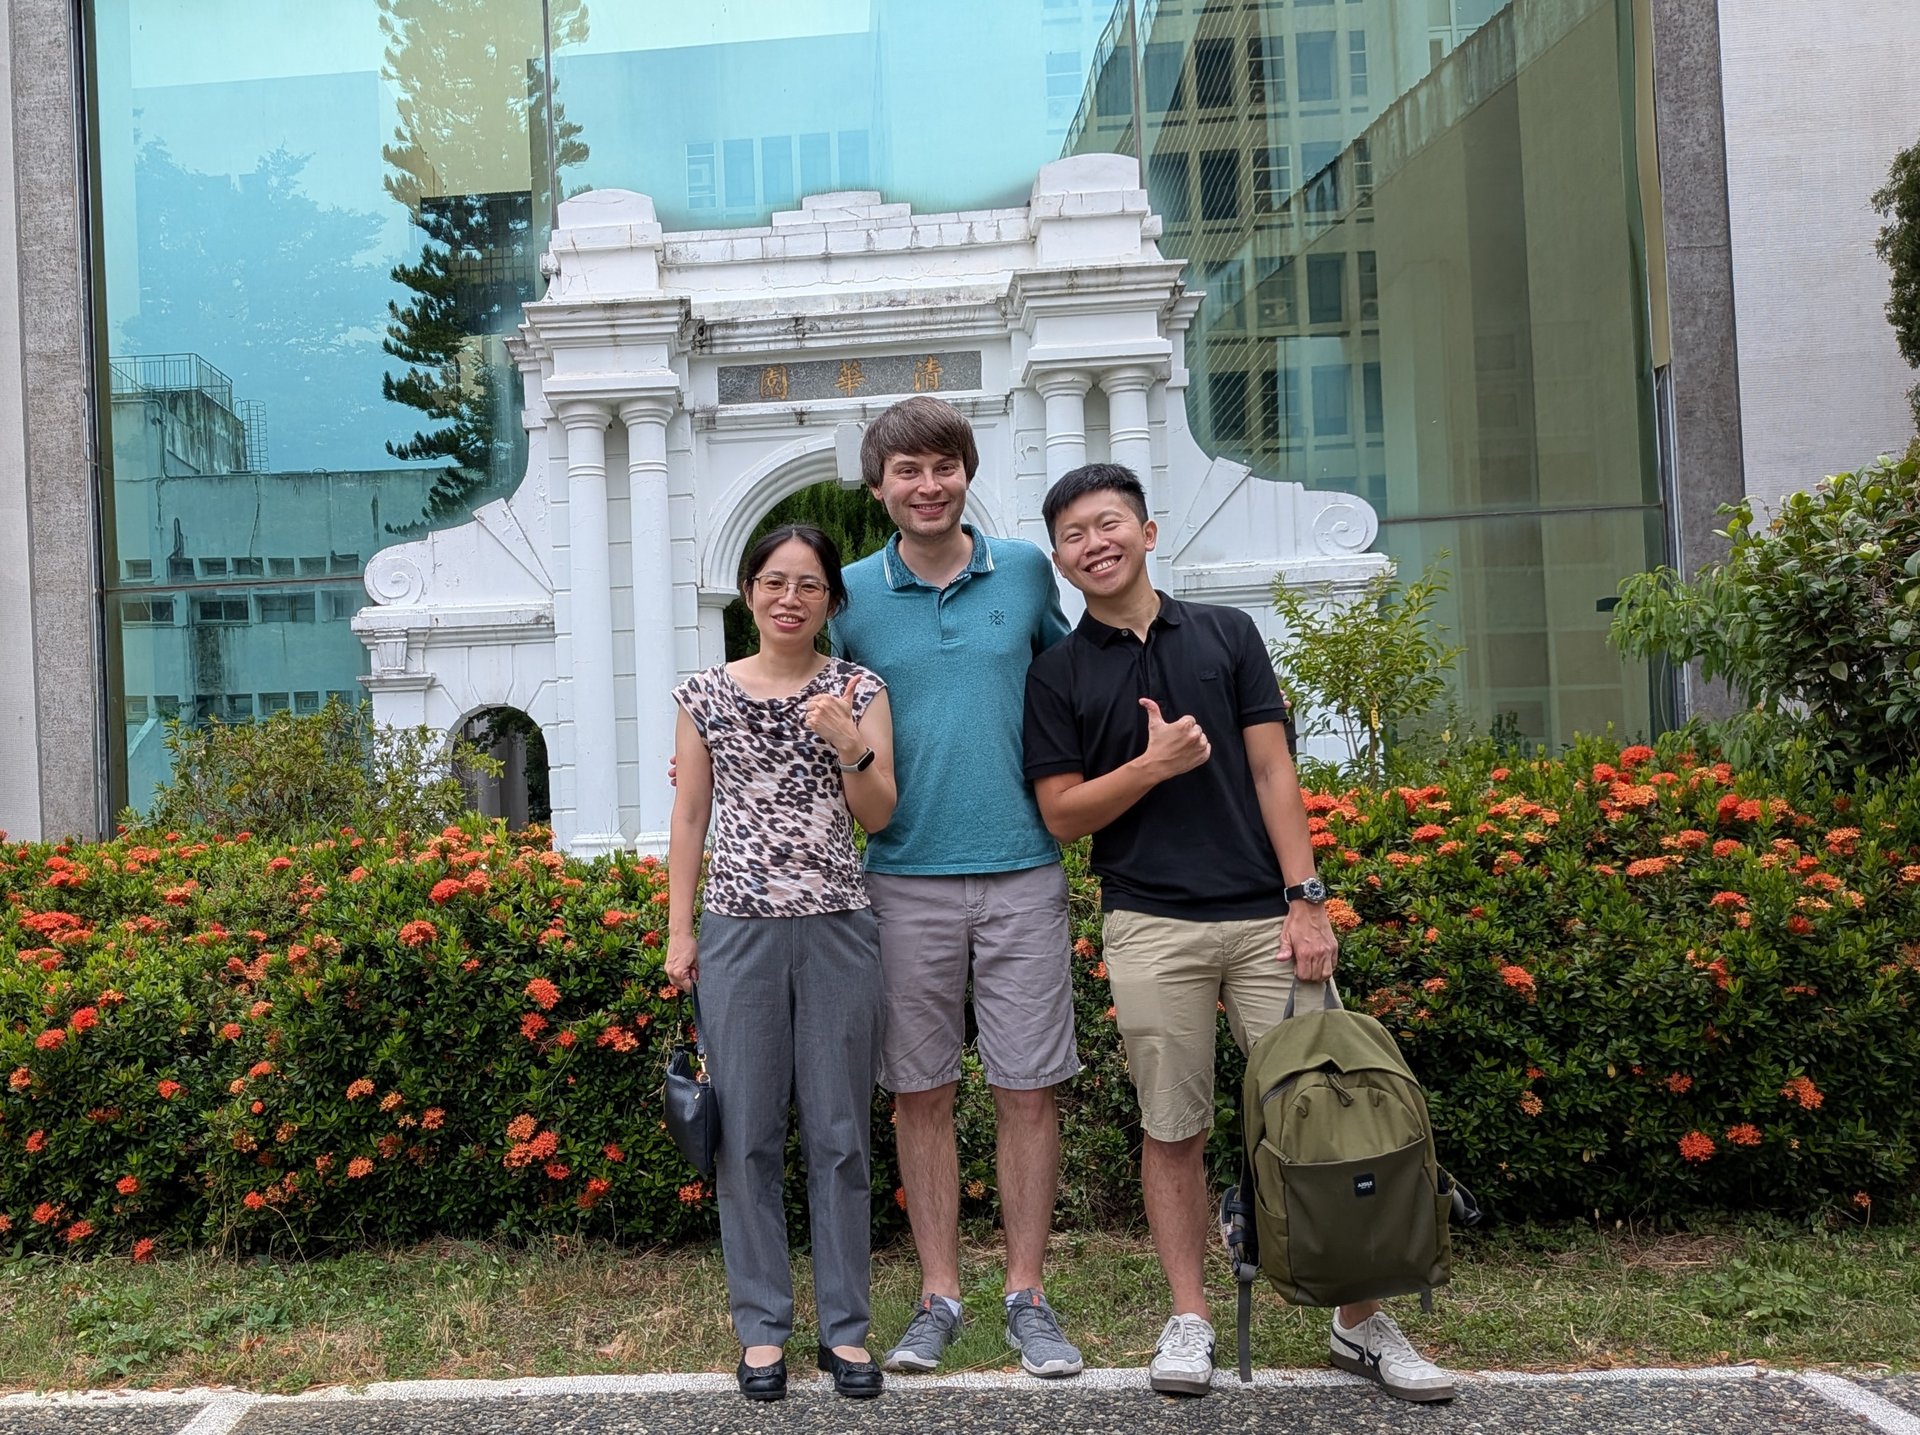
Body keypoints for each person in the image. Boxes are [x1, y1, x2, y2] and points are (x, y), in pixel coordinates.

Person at [1022, 463, 1455, 1403]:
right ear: (1058, 557)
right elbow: (1062, 815)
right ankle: (1190, 1315)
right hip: (1147, 923)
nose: (1094, 544)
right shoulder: (1056, 672)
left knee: (1334, 1119)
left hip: (1268, 917)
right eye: (1073, 535)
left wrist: (1307, 897)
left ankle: (1359, 1320)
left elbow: (1272, 773)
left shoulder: (1227, 633)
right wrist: (1152, 764)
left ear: (1146, 528)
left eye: (1109, 524)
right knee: (1171, 1126)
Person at [827, 395, 1085, 1379]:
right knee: (920, 1094)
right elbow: (812, 708)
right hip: (900, 879)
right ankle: (940, 1292)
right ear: (880, 487)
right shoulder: (851, 593)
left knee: (1027, 1090)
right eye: (907, 472)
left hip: (1023, 867)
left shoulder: (1021, 570)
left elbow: (1073, 685)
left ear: (966, 472)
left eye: (944, 466)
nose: (927, 486)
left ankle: (1027, 1293)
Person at [665, 524, 897, 1402]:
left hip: (839, 926)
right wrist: (680, 931)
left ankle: (847, 1330)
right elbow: (690, 818)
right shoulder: (703, 693)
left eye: (808, 584)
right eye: (773, 581)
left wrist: (848, 741)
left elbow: (880, 814)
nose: (789, 597)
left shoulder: (858, 687)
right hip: (738, 930)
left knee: (840, 1135)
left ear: (832, 600)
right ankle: (761, 1328)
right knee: (748, 1135)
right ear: (748, 591)